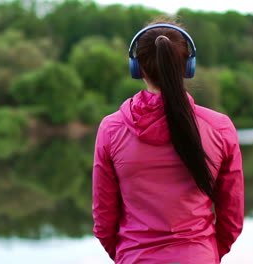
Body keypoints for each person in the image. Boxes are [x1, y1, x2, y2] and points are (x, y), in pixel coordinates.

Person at [92, 18, 244, 264]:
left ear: (136, 67)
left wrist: (127, 255)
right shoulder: (219, 128)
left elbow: (103, 219)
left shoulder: (111, 129)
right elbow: (232, 218)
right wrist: (206, 254)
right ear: (188, 66)